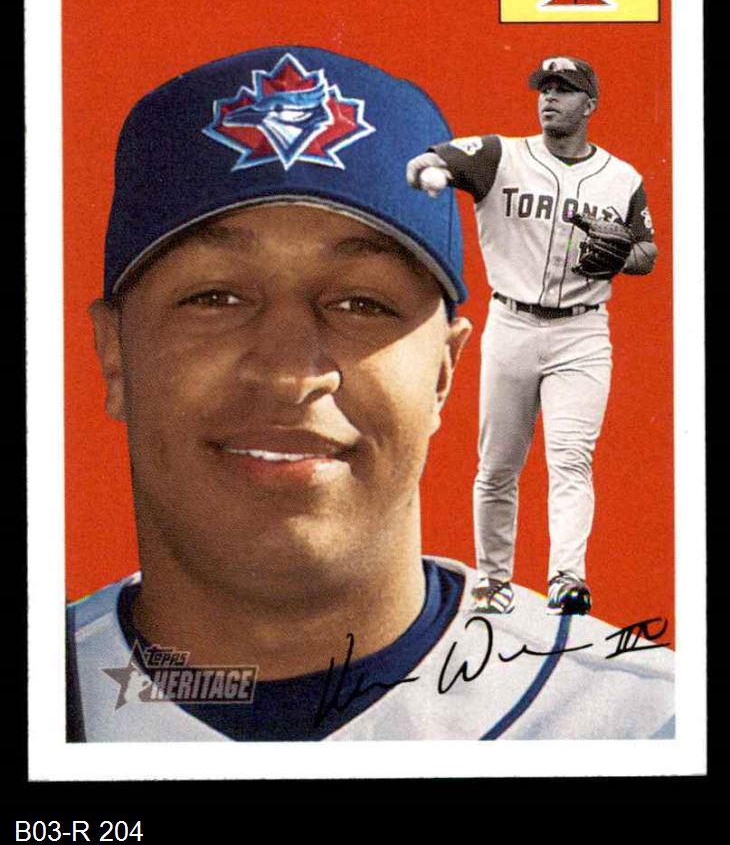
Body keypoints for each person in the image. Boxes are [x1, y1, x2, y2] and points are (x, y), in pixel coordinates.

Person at [67, 47, 672, 742]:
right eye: (216, 296)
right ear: (114, 354)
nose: (291, 374)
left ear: (445, 371)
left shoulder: (650, 726)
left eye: (362, 303)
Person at [407, 56, 657, 618]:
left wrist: (624, 256)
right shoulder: (502, 155)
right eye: (545, 88)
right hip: (512, 326)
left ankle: (567, 577)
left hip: (582, 333)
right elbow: (431, 159)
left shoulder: (622, 178)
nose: (549, 98)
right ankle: (494, 581)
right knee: (498, 466)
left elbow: (647, 252)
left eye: (564, 90)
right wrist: (430, 175)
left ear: (589, 105)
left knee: (571, 458)